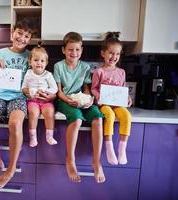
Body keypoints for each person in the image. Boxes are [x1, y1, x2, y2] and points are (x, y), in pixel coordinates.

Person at [0, 18, 39, 190]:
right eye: (20, 33)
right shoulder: (0, 53)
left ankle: (10, 171)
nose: (22, 38)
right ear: (12, 33)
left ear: (30, 39)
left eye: (27, 36)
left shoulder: (30, 56)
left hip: (19, 97)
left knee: (15, 123)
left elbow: (39, 75)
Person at [53, 32, 105, 183]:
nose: (74, 53)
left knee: (97, 118)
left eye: (77, 50)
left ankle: (96, 161)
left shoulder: (85, 67)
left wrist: (88, 99)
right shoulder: (58, 66)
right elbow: (59, 91)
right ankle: (70, 159)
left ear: (81, 50)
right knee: (76, 119)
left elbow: (86, 87)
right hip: (64, 100)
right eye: (70, 49)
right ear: (63, 50)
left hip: (81, 99)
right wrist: (69, 101)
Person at [91, 32, 132, 165]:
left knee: (126, 116)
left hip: (118, 104)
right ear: (103, 53)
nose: (114, 57)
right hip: (104, 104)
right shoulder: (99, 71)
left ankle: (122, 149)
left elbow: (122, 89)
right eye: (111, 53)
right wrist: (100, 97)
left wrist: (128, 98)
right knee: (109, 115)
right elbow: (93, 89)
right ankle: (109, 148)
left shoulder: (121, 72)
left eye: (118, 54)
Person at [22, 42, 58, 147]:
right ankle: (33, 137)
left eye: (42, 61)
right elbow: (23, 87)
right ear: (30, 62)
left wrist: (46, 92)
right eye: (36, 60)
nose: (39, 63)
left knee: (50, 112)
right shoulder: (28, 74)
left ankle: (49, 136)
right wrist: (28, 91)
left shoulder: (48, 75)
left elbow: (54, 88)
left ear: (46, 63)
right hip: (33, 100)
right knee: (33, 113)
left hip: (46, 101)